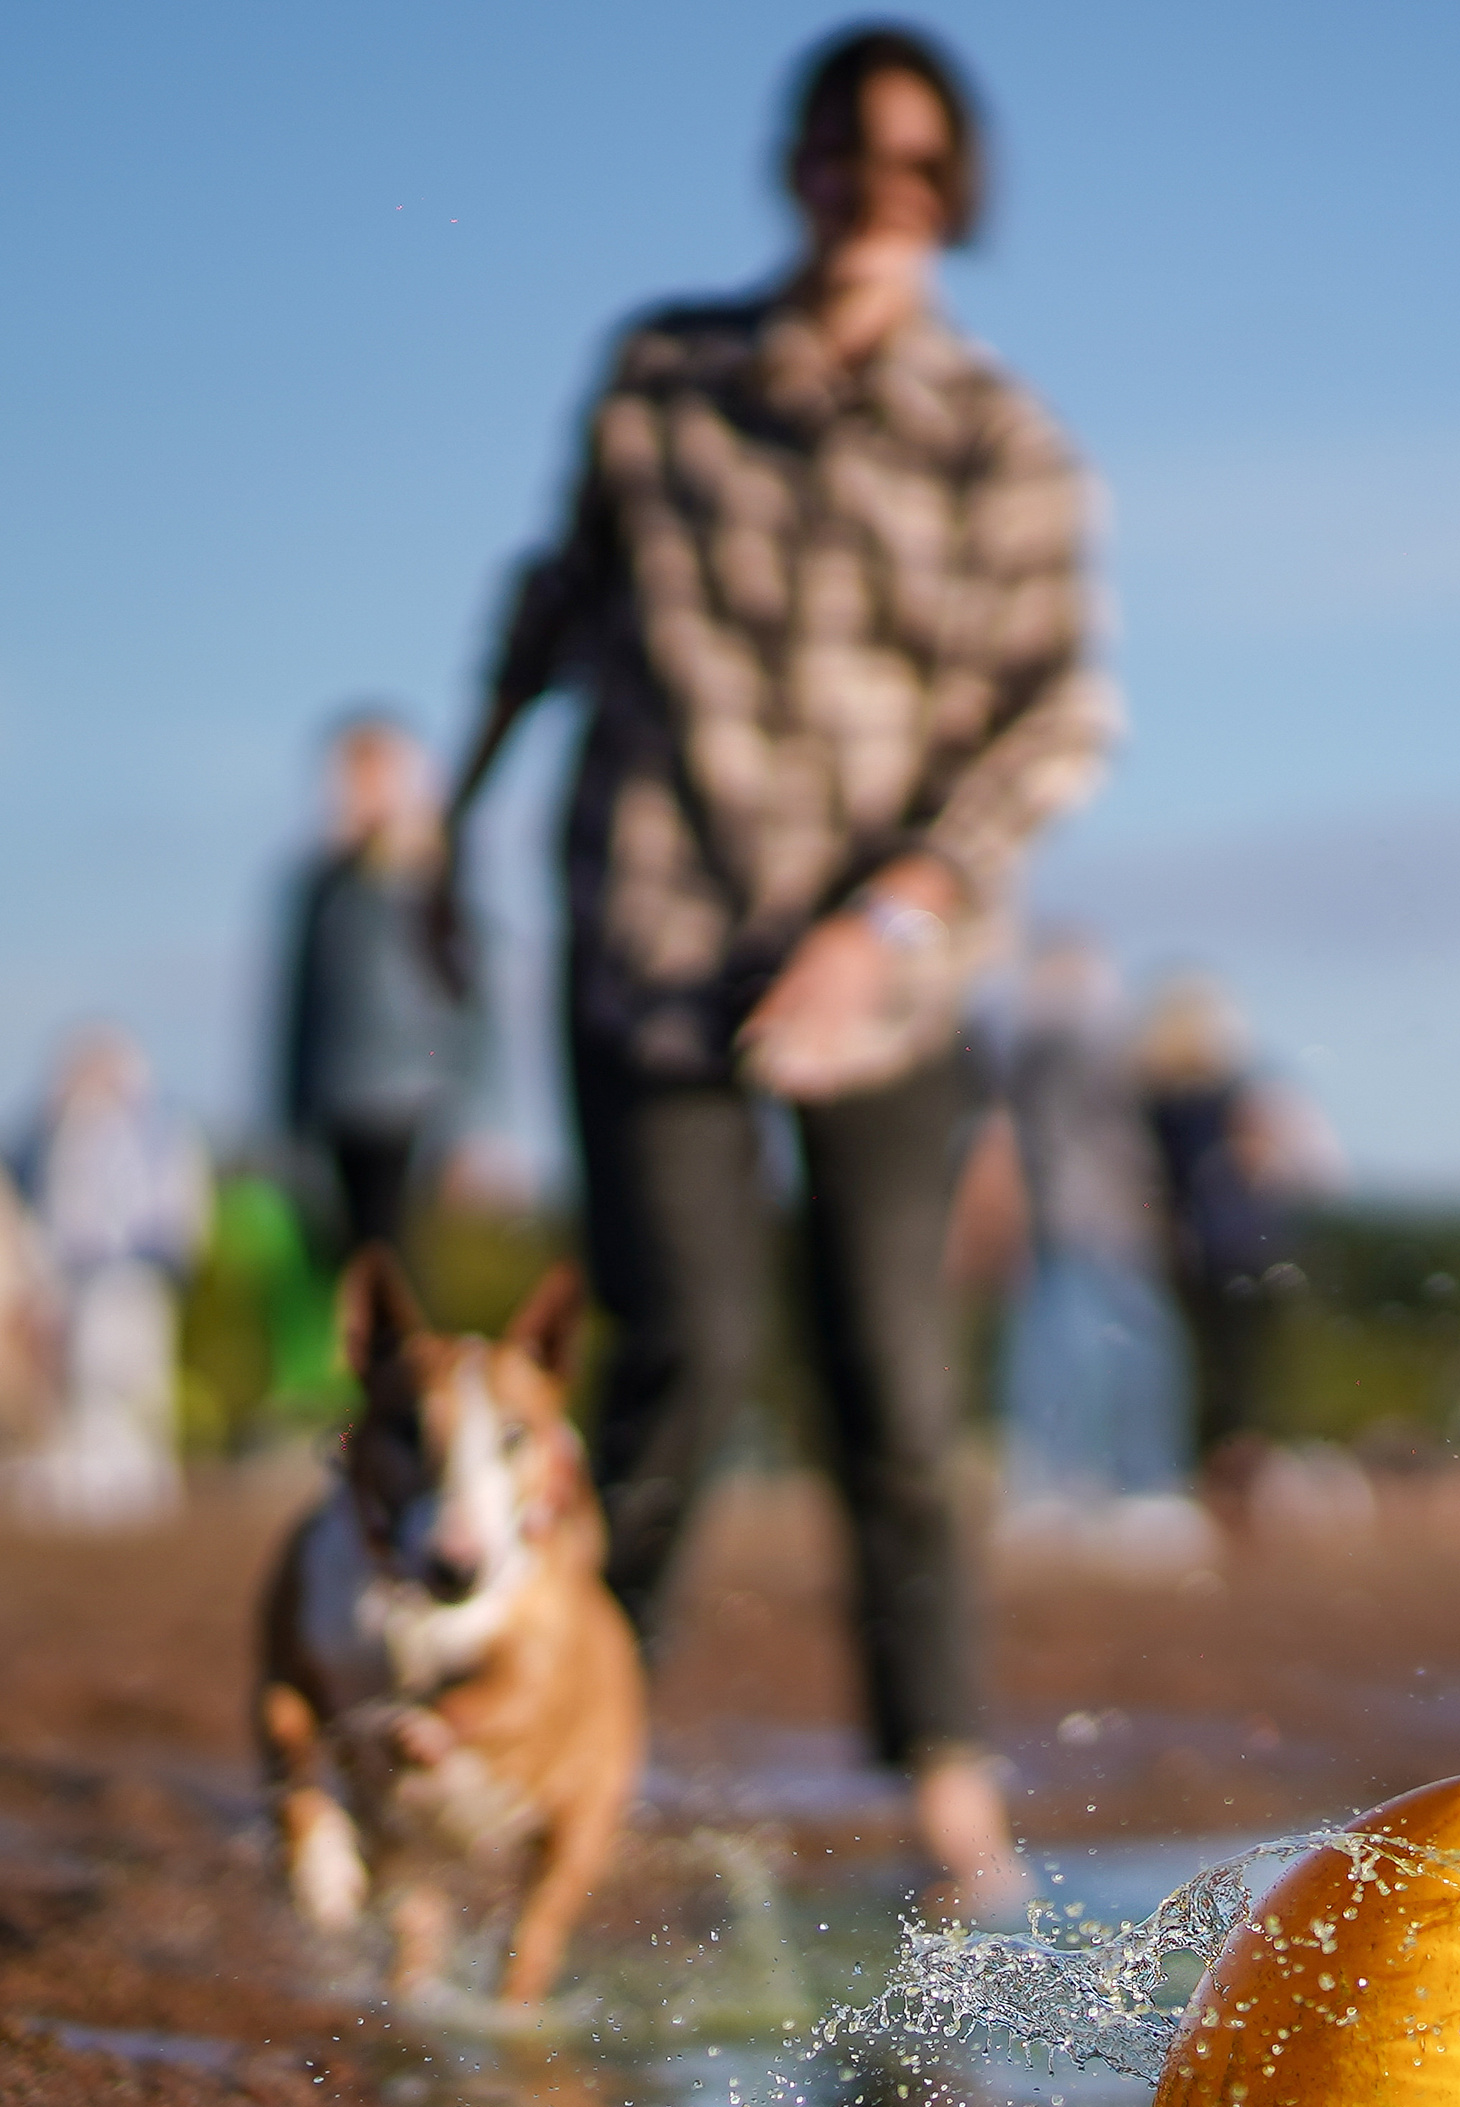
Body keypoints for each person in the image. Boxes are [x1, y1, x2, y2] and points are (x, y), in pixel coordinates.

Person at [433, 24, 1114, 1911]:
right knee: (683, 1356)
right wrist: (447, 823)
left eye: (911, 167)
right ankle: (565, 1738)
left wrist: (885, 917)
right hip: (649, 923)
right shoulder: (662, 374)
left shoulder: (1006, 440)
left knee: (893, 1378)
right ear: (794, 167)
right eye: (841, 154)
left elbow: (1058, 724)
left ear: (952, 195)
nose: (869, 193)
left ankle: (950, 1795)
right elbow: (552, 604)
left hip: (885, 973)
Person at [990, 933, 1191, 1523]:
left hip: (1093, 1221)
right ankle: (1105, 1482)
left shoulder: (1050, 1039)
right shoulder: (1070, 1038)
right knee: (1088, 1347)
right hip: (1089, 1220)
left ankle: (1108, 1482)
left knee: (1091, 1346)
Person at [278, 716, 481, 1255]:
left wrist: (469, 1114)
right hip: (338, 1103)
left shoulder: (432, 873)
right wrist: (289, 1122)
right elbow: (298, 1007)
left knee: (403, 1259)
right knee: (346, 1259)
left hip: (417, 1099)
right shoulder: (320, 882)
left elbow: (467, 1000)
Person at [1135, 970, 1341, 1485]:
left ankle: (1223, 1471)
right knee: (1246, 1374)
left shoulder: (1158, 1101)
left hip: (1195, 1254)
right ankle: (1238, 1472)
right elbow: (1314, 1168)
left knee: (1213, 1371)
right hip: (1243, 1250)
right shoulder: (1238, 1093)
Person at [11, 1026, 208, 1528]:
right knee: (94, 1381)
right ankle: (101, 1483)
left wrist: (174, 1261)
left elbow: (183, 1205)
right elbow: (53, 1212)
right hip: (89, 1280)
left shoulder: (158, 1129)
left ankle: (144, 1478)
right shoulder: (63, 1132)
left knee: (137, 1380)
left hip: (138, 1273)